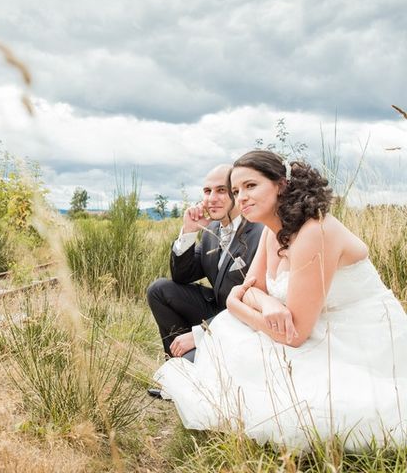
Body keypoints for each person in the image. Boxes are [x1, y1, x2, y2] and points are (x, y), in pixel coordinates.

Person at [154, 150, 407, 450]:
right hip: (307, 324)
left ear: (281, 185)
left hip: (360, 339)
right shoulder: (272, 233)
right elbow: (251, 288)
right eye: (237, 191)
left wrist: (237, 304)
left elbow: (294, 334)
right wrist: (267, 301)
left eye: (251, 186)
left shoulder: (315, 231)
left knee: (279, 386)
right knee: (229, 350)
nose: (242, 197)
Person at [147, 164, 263, 362]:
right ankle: (177, 366)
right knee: (159, 289)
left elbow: (256, 305)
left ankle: (191, 361)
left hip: (245, 322)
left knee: (194, 357)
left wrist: (200, 333)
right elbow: (182, 276)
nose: (211, 198)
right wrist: (190, 231)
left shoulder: (259, 232)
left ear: (236, 192)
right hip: (217, 309)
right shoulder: (212, 231)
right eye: (207, 191)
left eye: (221, 190)